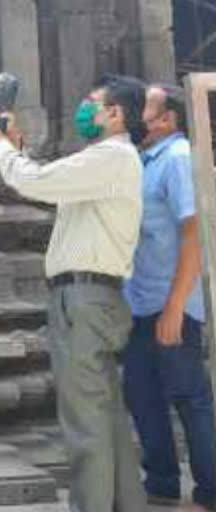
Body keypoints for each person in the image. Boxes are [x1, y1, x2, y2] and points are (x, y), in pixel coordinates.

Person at [0, 75, 147, 512]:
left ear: (116, 114)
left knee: (85, 424)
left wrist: (1, 147)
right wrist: (17, 150)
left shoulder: (111, 156)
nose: (84, 110)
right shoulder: (107, 160)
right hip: (94, 299)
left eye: (93, 103)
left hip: (83, 301)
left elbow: (34, 183)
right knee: (105, 419)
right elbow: (51, 184)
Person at [123, 83, 216, 511]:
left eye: (145, 108)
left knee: (187, 396)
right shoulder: (145, 162)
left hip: (170, 302)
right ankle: (161, 482)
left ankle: (210, 491)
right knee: (142, 395)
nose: (137, 114)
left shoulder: (177, 159)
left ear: (167, 119)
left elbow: (193, 232)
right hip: (142, 302)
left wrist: (177, 305)